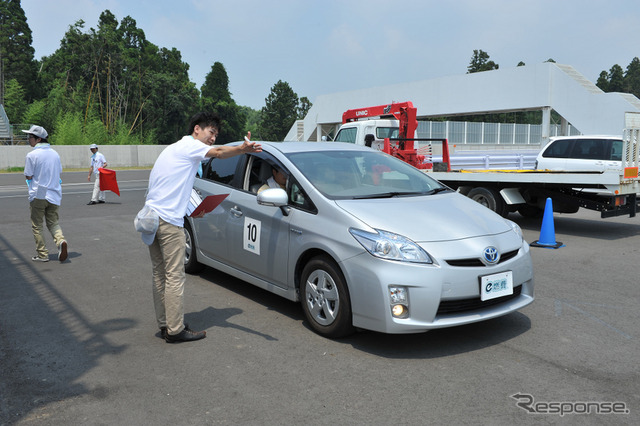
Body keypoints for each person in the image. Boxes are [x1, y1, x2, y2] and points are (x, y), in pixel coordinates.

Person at [139, 112, 261, 343]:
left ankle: (166, 324)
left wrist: (192, 209)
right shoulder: (191, 147)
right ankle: (175, 330)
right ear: (197, 129)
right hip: (168, 223)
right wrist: (242, 149)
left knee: (160, 274)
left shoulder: (174, 149)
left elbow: (167, 188)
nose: (213, 138)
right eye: (211, 132)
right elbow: (218, 153)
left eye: (216, 134)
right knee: (174, 276)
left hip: (152, 220)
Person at [23, 125, 68, 263]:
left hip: (39, 193)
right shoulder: (55, 154)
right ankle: (61, 241)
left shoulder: (32, 155)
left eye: (30, 137)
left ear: (38, 139)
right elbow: (58, 172)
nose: (28, 139)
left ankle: (42, 254)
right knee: (53, 222)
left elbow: (28, 176)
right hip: (54, 193)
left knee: (37, 225)